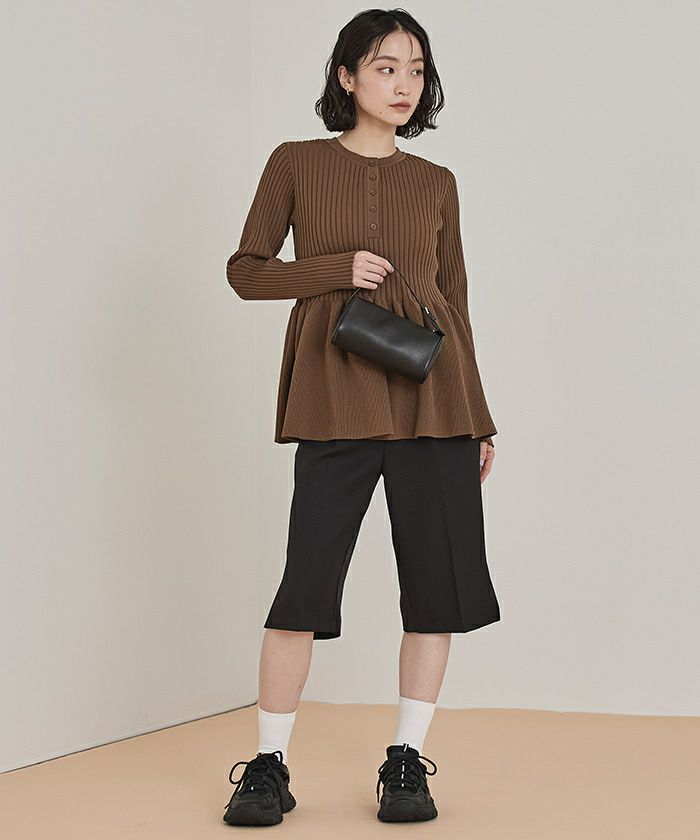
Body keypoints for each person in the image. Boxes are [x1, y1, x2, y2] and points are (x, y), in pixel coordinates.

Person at [221, 8, 500, 827]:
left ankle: (407, 760)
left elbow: (455, 305)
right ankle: (268, 765)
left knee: (436, 590)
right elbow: (246, 272)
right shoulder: (296, 162)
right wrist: (333, 269)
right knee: (303, 587)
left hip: (436, 404)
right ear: (346, 76)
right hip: (335, 398)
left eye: (416, 69)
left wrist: (480, 416)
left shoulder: (437, 182)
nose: (404, 84)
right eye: (385, 67)